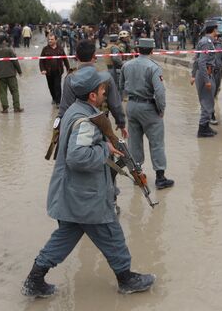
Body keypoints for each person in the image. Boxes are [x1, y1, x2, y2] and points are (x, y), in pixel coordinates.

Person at [22, 66, 155, 299]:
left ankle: (34, 280)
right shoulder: (84, 120)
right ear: (93, 95)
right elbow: (77, 156)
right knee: (112, 235)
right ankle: (126, 279)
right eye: (103, 89)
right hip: (86, 197)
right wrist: (104, 148)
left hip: (74, 195)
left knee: (64, 239)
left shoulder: (75, 110)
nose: (106, 92)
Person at [120, 38, 174, 189]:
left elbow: (121, 86)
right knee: (156, 143)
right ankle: (160, 178)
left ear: (137, 50)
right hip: (149, 108)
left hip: (131, 106)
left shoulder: (127, 65)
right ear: (152, 50)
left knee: (134, 142)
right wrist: (161, 109)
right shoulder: (153, 67)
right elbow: (160, 92)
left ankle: (138, 176)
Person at [191, 20, 218, 137]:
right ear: (214, 30)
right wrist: (207, 80)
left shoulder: (205, 41)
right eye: (216, 29)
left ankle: (206, 126)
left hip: (203, 74)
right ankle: (202, 129)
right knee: (207, 102)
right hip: (205, 75)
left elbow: (196, 59)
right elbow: (201, 62)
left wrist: (193, 75)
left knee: (207, 102)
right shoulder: (207, 42)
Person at [0, 34, 24, 113]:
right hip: (11, 74)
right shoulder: (9, 50)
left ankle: (5, 108)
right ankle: (16, 107)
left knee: (2, 92)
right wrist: (19, 71)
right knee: (14, 91)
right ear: (4, 41)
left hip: (0, 75)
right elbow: (15, 61)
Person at [40, 34, 70, 106]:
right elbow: (41, 61)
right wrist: (42, 69)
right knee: (51, 86)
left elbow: (65, 59)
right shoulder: (45, 49)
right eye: (49, 39)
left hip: (58, 71)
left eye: (51, 39)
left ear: (55, 40)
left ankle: (58, 101)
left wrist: (68, 69)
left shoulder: (60, 49)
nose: (50, 41)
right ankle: (53, 98)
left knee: (57, 86)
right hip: (48, 72)